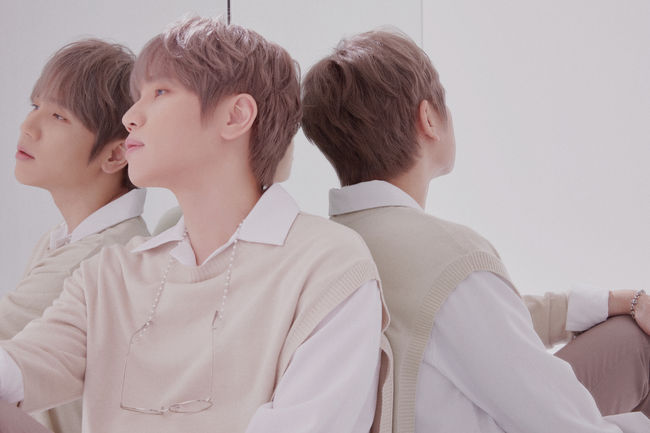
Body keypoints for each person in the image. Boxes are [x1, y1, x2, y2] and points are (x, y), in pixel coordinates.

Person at [0, 17, 391, 433]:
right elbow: (19, 367)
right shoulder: (110, 274)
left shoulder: (328, 266)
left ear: (235, 115)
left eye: (160, 92)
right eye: (136, 97)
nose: (130, 117)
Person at [301, 29, 650, 433]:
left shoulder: (329, 249)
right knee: (636, 342)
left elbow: (477, 326)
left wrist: (613, 300)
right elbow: (559, 419)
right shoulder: (447, 256)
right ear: (428, 118)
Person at [1, 39, 149, 433]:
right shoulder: (68, 239)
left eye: (58, 116)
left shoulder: (102, 256)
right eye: (35, 106)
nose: (28, 126)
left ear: (115, 155)